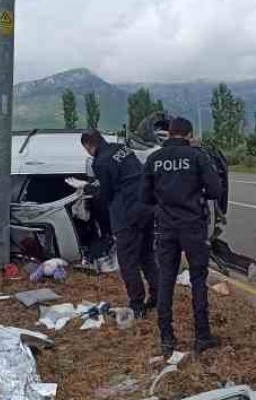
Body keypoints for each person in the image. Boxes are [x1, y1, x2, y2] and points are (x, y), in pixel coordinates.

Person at [142, 117, 223, 357]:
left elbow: (144, 197)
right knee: (198, 278)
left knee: (166, 279)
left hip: (166, 226)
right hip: (193, 226)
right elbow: (216, 190)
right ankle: (202, 336)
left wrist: (163, 204)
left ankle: (167, 338)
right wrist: (196, 194)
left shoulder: (154, 159)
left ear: (169, 133)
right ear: (188, 134)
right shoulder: (198, 157)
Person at [81, 130, 159, 318]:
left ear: (89, 146)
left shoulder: (99, 162)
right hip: (146, 207)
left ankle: (137, 304)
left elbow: (106, 194)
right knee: (146, 255)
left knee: (128, 262)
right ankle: (159, 297)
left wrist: (90, 190)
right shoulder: (122, 149)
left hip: (127, 214)